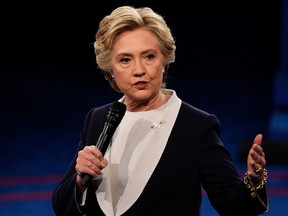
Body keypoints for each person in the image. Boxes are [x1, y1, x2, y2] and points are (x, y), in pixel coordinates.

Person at [52, 5, 269, 216]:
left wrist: (254, 181)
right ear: (111, 71)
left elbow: (233, 205)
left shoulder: (195, 126)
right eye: (125, 60)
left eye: (149, 57)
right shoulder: (98, 119)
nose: (139, 70)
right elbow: (62, 206)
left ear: (164, 61)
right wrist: (80, 182)